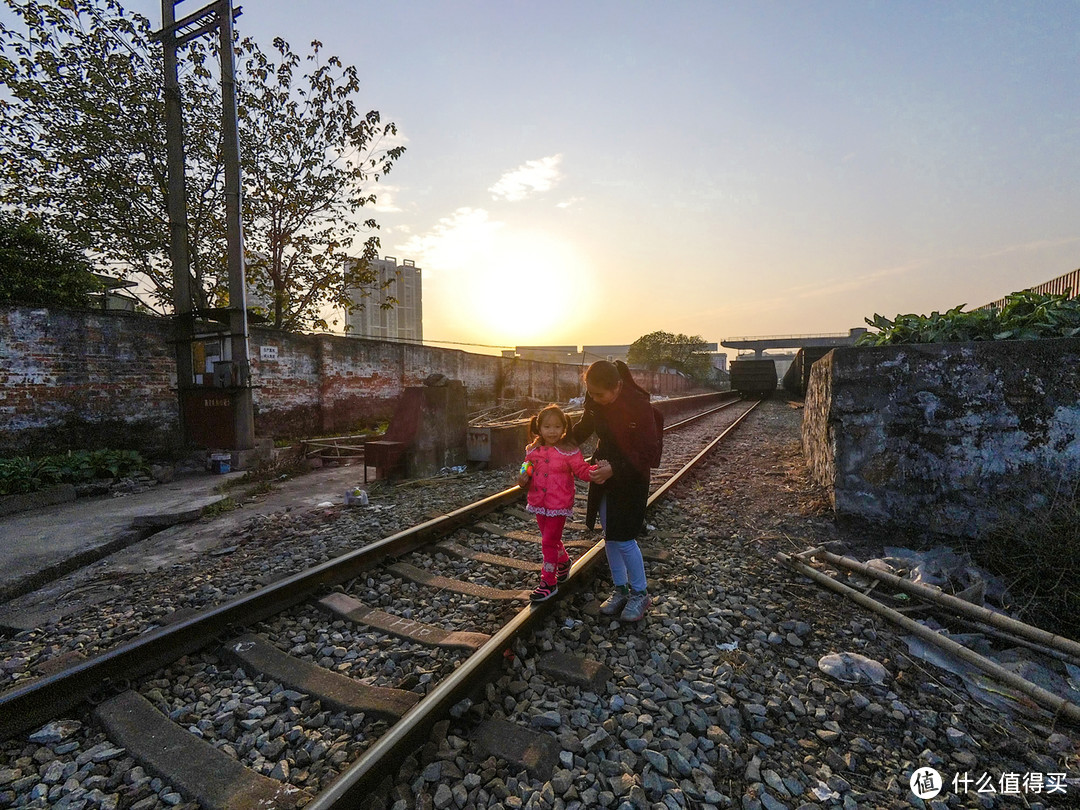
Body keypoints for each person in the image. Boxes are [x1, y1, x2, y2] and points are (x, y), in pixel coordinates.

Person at [572, 360, 660, 622]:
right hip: (604, 475)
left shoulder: (639, 407)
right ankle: (620, 589)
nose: (595, 399)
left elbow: (648, 453)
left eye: (600, 394)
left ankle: (640, 593)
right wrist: (553, 443)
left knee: (624, 537)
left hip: (631, 479)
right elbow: (582, 429)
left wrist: (615, 469)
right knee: (610, 536)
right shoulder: (595, 401)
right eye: (591, 393)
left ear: (618, 386)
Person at [517, 403, 598, 602]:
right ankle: (563, 562)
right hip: (538, 500)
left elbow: (581, 470)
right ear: (539, 427)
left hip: (559, 503)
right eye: (547, 427)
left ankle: (548, 581)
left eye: (556, 427)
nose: (552, 431)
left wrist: (596, 472)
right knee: (549, 538)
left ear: (564, 428)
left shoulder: (569, 451)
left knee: (548, 541)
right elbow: (526, 466)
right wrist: (522, 477)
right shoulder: (533, 449)